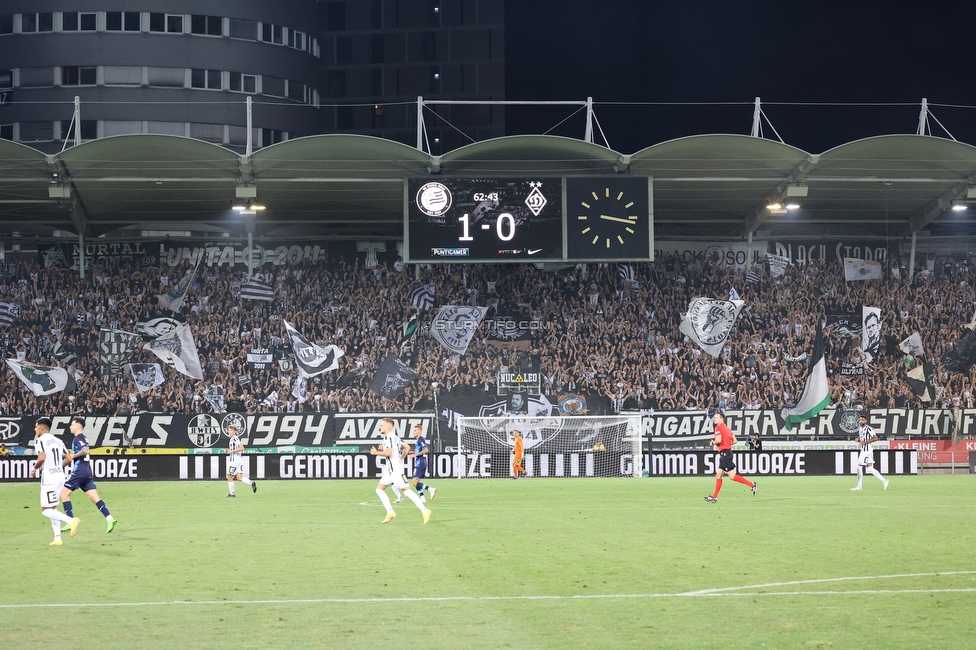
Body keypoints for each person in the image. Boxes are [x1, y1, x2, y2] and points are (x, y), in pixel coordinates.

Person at [60, 416, 117, 533]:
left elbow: (85, 450)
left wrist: (73, 455)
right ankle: (109, 518)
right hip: (87, 471)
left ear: (77, 426)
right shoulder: (84, 438)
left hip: (79, 471)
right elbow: (80, 453)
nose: (70, 427)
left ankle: (70, 521)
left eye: (72, 424)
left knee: (64, 495)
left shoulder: (78, 438)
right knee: (94, 498)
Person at [370, 418, 430, 524]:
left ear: (388, 427)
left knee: (407, 491)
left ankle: (425, 511)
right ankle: (390, 512)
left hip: (395, 470)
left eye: (382, 425)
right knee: (379, 489)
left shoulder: (389, 437)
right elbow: (406, 447)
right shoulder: (394, 437)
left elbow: (389, 453)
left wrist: (376, 452)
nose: (380, 427)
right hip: (390, 470)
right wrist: (400, 457)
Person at [29, 417, 78, 545]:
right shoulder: (58, 441)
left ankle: (70, 520)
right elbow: (68, 459)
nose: (35, 429)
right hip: (60, 477)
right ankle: (57, 538)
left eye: (36, 426)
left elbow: (42, 458)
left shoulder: (40, 440)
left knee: (46, 510)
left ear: (42, 427)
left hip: (49, 479)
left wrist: (34, 469)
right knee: (53, 508)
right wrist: (58, 467)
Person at [705, 411, 756, 503]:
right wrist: (726, 443)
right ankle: (714, 497)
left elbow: (718, 440)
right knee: (718, 474)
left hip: (725, 453)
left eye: (716, 418)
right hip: (727, 452)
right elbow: (735, 441)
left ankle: (752, 484)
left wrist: (713, 442)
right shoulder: (727, 429)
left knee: (732, 476)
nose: (715, 419)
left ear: (721, 419)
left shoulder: (718, 427)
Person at [852, 413, 888, 491]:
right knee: (870, 468)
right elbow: (861, 438)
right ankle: (884, 481)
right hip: (864, 450)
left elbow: (875, 438)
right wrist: (858, 439)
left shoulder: (869, 428)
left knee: (859, 467)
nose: (861, 421)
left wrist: (866, 442)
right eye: (860, 420)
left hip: (866, 450)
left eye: (862, 420)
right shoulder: (860, 429)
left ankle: (859, 486)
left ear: (866, 421)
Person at [407, 424, 437, 502]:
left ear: (419, 431)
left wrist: (415, 454)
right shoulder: (419, 440)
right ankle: (422, 498)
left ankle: (431, 489)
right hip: (420, 463)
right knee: (415, 482)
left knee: (414, 481)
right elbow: (423, 451)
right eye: (413, 430)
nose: (414, 432)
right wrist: (414, 452)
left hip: (420, 463)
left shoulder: (421, 439)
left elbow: (426, 450)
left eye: (415, 430)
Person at [225, 424, 257, 497]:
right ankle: (251, 482)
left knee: (229, 476)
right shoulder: (233, 439)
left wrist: (231, 451)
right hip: (239, 460)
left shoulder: (235, 438)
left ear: (234, 431)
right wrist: (230, 450)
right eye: (229, 430)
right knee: (239, 478)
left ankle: (232, 494)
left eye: (231, 430)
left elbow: (242, 448)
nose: (229, 432)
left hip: (234, 461)